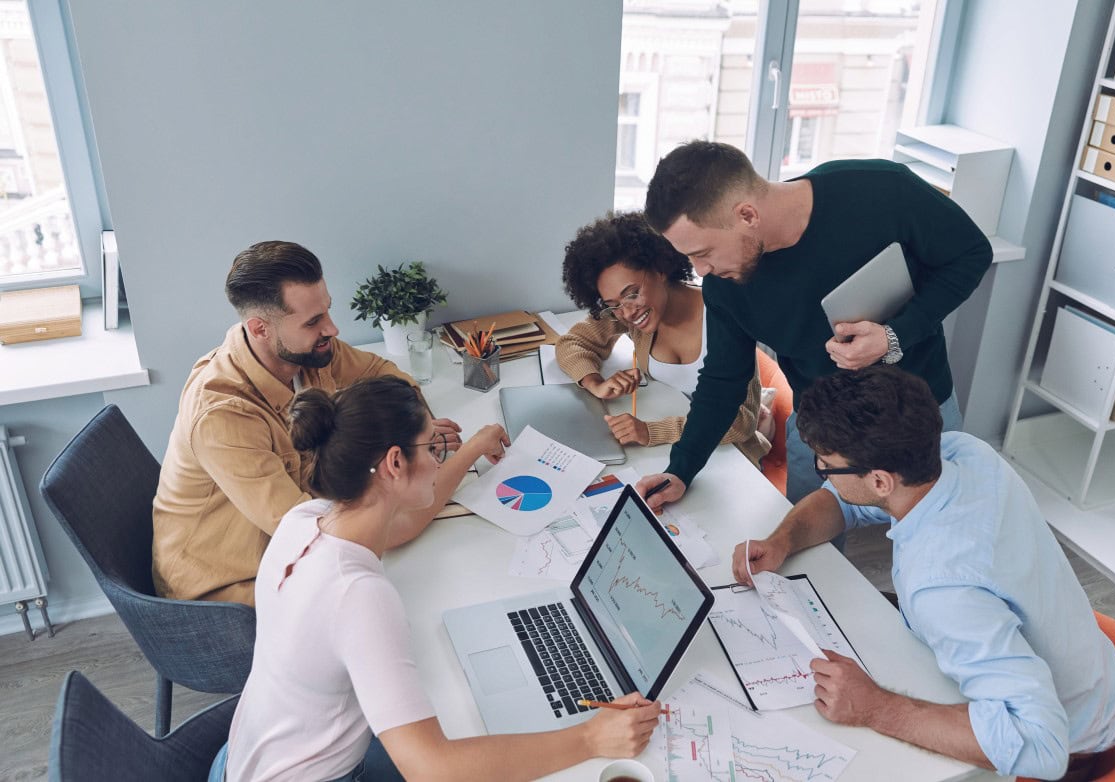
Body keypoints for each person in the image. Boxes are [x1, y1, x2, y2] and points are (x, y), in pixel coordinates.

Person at [208, 376, 662, 781]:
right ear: (393, 463)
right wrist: (590, 738)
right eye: (432, 447)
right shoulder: (358, 594)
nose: (438, 456)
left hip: (244, 758)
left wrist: (467, 452)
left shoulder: (305, 519)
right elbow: (433, 769)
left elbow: (403, 524)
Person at [730, 366, 1115, 782]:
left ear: (881, 479)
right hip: (1080, 670)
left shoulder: (941, 586)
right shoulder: (960, 452)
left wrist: (875, 708)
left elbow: (1041, 745)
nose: (822, 473)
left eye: (825, 465)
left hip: (1070, 740)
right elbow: (845, 501)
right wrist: (782, 541)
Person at [635, 141, 992, 511]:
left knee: (942, 530)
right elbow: (724, 380)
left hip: (921, 415)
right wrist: (681, 469)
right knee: (808, 546)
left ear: (747, 215)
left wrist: (894, 336)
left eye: (703, 253)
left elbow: (971, 253)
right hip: (821, 434)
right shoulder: (725, 285)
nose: (701, 271)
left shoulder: (880, 190)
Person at [152, 240, 463, 605]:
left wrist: (414, 429)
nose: (332, 329)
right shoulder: (222, 416)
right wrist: (454, 455)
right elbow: (321, 535)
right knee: (411, 602)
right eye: (314, 321)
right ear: (259, 328)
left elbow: (382, 372)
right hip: (228, 593)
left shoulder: (307, 351)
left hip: (287, 548)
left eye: (326, 311)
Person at [556, 211, 784, 461]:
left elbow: (741, 422)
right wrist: (595, 383)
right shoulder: (626, 314)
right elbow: (572, 343)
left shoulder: (722, 314)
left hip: (727, 456)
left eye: (632, 293)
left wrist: (651, 431)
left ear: (659, 269)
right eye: (613, 304)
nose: (628, 312)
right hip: (670, 450)